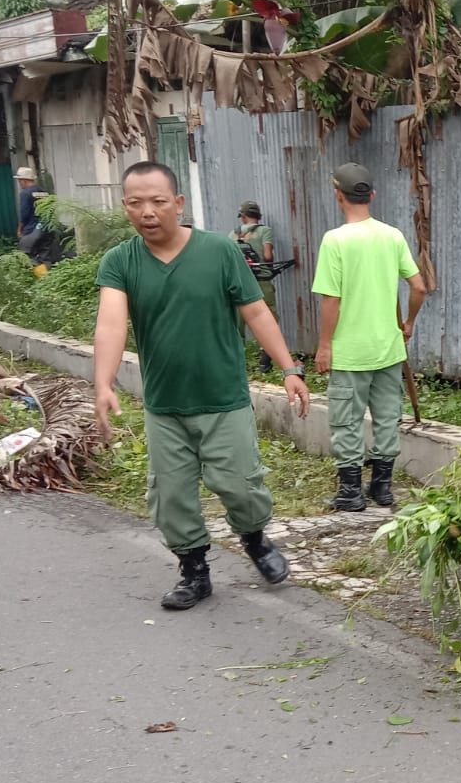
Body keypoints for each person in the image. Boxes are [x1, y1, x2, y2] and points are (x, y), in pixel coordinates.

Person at [93, 161, 311, 611]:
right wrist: (104, 383)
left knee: (239, 485)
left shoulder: (220, 251)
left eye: (157, 202)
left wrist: (290, 368)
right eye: (135, 203)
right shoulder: (120, 261)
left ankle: (254, 539)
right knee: (170, 494)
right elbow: (111, 324)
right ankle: (194, 570)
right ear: (125, 207)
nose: (147, 212)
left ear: (178, 203)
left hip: (223, 399)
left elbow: (256, 311)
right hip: (164, 406)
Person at [311, 162, 428, 511]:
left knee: (347, 420)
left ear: (338, 195)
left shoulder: (335, 240)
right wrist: (408, 323)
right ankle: (383, 489)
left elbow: (332, 298)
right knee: (387, 417)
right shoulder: (392, 236)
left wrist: (324, 345)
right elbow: (418, 286)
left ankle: (350, 492)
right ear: (372, 195)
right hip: (388, 350)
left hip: (350, 353)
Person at [232, 201, 279, 372]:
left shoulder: (233, 234)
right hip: (261, 282)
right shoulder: (264, 231)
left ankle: (238, 365)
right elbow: (267, 256)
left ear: (243, 216)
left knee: (237, 325)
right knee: (269, 320)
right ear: (258, 216)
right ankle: (265, 364)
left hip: (239, 284)